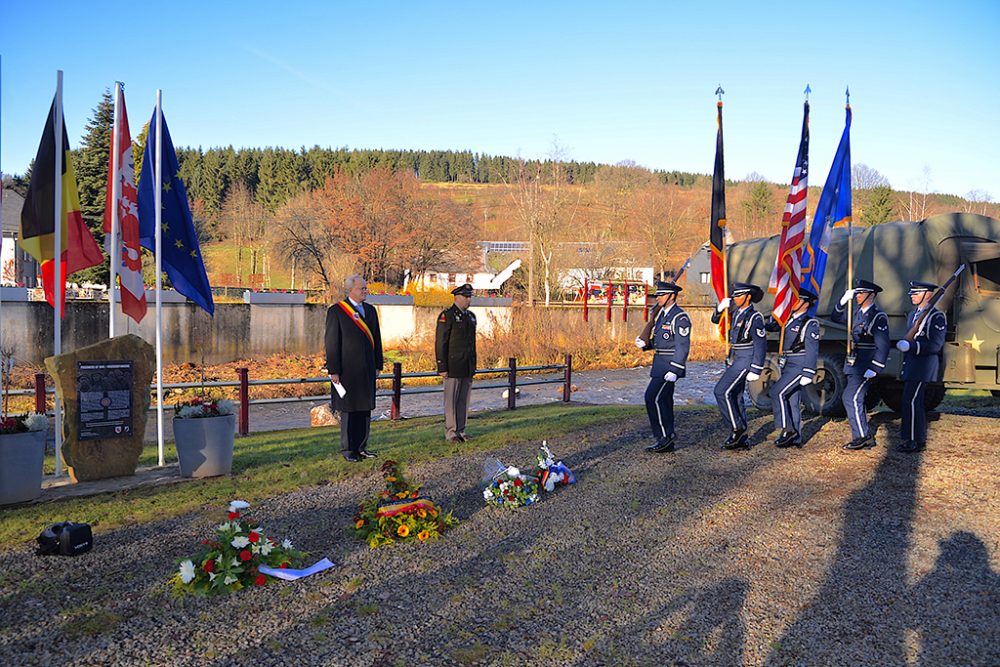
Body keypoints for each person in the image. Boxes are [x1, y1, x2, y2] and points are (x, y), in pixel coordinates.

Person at [325, 275, 384, 462]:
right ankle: (348, 450)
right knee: (349, 410)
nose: (366, 291)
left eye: (366, 288)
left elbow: (377, 339)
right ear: (351, 290)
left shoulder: (370, 311)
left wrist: (378, 364)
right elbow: (332, 342)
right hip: (347, 371)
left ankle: (361, 447)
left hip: (366, 368)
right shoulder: (337, 311)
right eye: (362, 289)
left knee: (364, 409)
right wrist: (334, 370)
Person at [831, 279, 890, 450]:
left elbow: (883, 345)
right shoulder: (855, 313)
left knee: (851, 397)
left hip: (866, 364)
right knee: (854, 397)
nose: (857, 296)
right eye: (856, 293)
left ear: (871, 295)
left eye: (861, 293)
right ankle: (862, 435)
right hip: (853, 363)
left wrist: (876, 367)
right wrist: (843, 301)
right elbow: (836, 317)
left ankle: (862, 437)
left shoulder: (878, 316)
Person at [635, 281, 690, 453]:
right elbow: (662, 341)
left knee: (652, 397)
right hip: (659, 364)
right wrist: (645, 344)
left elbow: (682, 345)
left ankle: (664, 437)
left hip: (670, 365)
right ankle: (667, 437)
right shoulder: (661, 315)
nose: (658, 297)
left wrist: (675, 369)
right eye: (658, 294)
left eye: (662, 294)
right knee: (664, 401)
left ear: (672, 296)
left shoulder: (680, 317)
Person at [712, 282, 767, 450]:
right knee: (735, 395)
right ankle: (741, 438)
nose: (735, 298)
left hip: (746, 357)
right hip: (735, 356)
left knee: (721, 391)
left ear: (748, 297)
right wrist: (720, 308)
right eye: (734, 296)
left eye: (738, 296)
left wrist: (756, 368)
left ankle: (737, 428)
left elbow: (760, 344)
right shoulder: (735, 313)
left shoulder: (754, 317)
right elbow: (715, 320)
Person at [895, 280, 946, 453]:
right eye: (912, 293)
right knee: (910, 401)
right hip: (912, 364)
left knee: (911, 401)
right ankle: (912, 438)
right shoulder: (913, 315)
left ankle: (914, 440)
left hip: (923, 366)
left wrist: (912, 346)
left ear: (928, 295)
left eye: (916, 293)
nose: (912, 296)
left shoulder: (936, 316)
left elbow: (936, 345)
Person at [766, 289, 820, 448]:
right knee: (791, 400)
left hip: (800, 363)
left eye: (796, 300)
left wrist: (808, 371)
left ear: (806, 302)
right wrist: (777, 309)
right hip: (787, 362)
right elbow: (769, 326)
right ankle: (795, 437)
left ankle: (787, 430)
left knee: (777, 392)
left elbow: (812, 349)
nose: (792, 303)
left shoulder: (810, 323)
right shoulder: (787, 319)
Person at [435, 283, 477, 443]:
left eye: (470, 297)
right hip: (452, 365)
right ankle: (451, 432)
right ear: (457, 297)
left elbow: (472, 344)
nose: (468, 300)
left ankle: (461, 429)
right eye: (466, 297)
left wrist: (473, 364)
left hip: (466, 364)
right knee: (451, 400)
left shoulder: (470, 316)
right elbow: (441, 342)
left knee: (463, 400)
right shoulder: (447, 316)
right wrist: (442, 366)